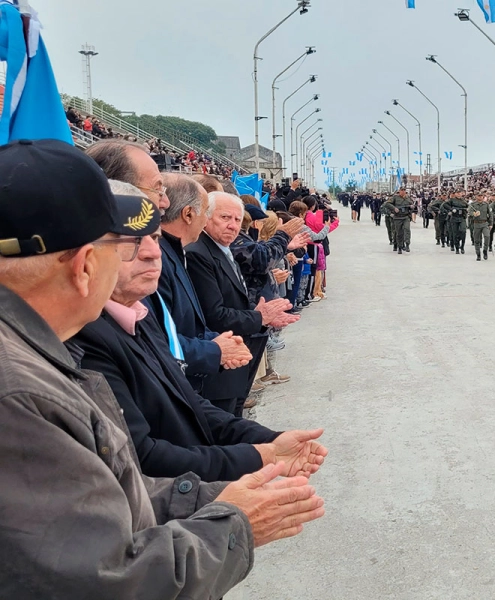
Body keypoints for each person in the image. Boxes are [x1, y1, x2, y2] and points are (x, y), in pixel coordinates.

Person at [0, 139, 323, 598]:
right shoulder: (22, 392)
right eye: (128, 246)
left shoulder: (45, 349)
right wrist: (237, 522)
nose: (151, 255)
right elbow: (102, 578)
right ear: (85, 266)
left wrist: (250, 467)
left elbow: (121, 485)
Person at [186, 193, 298, 416]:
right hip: (219, 363)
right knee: (224, 422)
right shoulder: (199, 253)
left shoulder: (222, 249)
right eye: (225, 217)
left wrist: (263, 318)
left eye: (237, 219)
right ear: (205, 217)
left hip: (235, 357)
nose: (232, 225)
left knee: (235, 414)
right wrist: (259, 317)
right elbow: (214, 315)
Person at [155, 174, 252, 393]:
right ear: (189, 214)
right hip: (178, 381)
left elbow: (187, 322)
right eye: (207, 212)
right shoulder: (165, 256)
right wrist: (215, 349)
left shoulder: (176, 252)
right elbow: (159, 337)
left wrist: (216, 341)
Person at [387, 187, 414, 254]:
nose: (403, 191)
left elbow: (412, 205)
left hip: (406, 217)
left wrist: (412, 206)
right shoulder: (395, 197)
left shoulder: (408, 198)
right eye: (402, 190)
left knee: (407, 230)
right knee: (399, 233)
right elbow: (387, 204)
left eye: (404, 190)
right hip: (397, 218)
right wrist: (394, 208)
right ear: (399, 191)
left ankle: (407, 244)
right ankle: (399, 247)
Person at [469, 193, 493, 262]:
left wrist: (491, 224)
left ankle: (485, 250)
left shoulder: (486, 204)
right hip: (476, 223)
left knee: (487, 236)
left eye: (481, 196)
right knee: (476, 240)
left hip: (484, 223)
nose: (480, 197)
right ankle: (478, 254)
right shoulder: (473, 204)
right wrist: (474, 214)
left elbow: (490, 214)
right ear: (476, 196)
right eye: (478, 196)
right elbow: (470, 212)